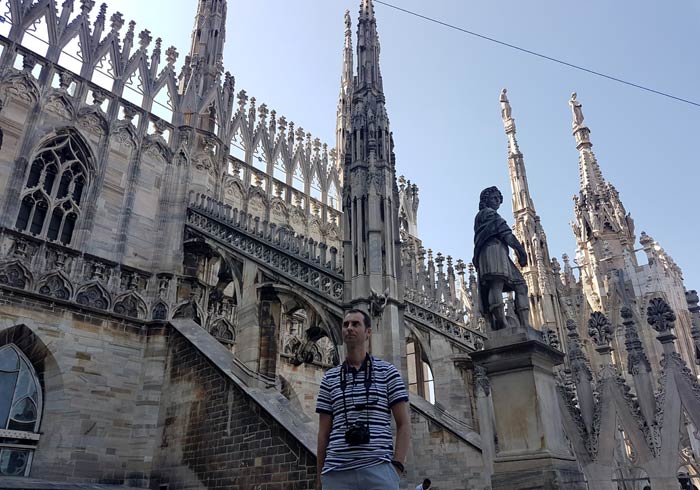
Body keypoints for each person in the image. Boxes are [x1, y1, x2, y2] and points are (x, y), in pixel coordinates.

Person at [316, 309, 410, 490]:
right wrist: (320, 477)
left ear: (368, 332)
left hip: (378, 471)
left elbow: (404, 424)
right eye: (345, 324)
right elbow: (323, 434)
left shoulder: (388, 372)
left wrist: (396, 467)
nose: (349, 328)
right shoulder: (329, 378)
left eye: (355, 324)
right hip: (336, 472)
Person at [472, 186, 530, 330]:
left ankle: (524, 325)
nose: (497, 201)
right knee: (496, 284)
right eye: (494, 198)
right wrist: (521, 251)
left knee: (520, 285)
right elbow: (506, 234)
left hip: (498, 252)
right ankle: (502, 324)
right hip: (493, 251)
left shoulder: (486, 215)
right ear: (486, 201)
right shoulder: (488, 214)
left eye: (499, 198)